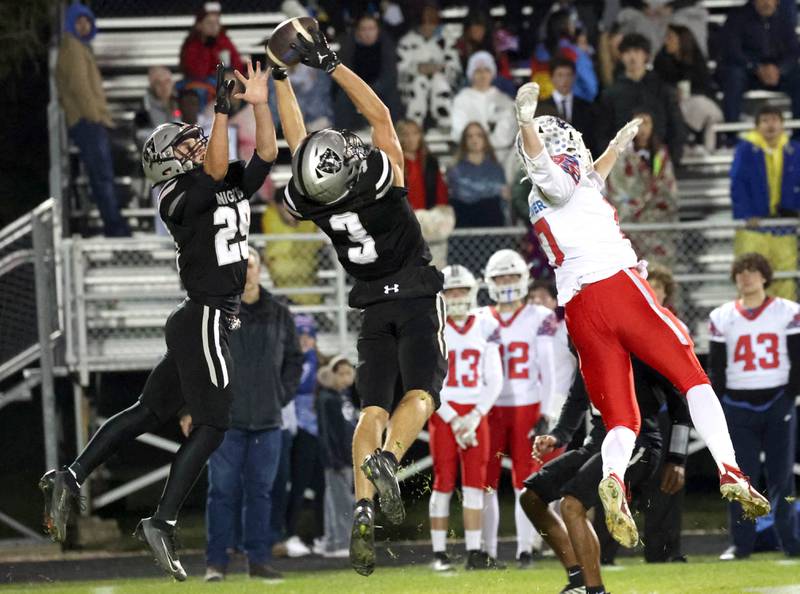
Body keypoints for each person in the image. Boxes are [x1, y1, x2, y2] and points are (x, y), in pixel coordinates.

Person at [40, 62, 277, 580]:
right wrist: (219, 110)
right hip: (207, 314)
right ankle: (162, 521)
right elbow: (213, 172)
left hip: (200, 317)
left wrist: (258, 102)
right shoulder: (176, 196)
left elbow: (267, 153)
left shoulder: (215, 179)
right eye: (186, 145)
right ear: (167, 163)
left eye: (197, 141)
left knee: (150, 411)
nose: (197, 146)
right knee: (214, 425)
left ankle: (72, 474)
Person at [512, 80, 769, 551]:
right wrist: (528, 122)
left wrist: (614, 146)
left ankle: (613, 478)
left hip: (581, 312)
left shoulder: (560, 192)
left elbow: (589, 177)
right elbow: (550, 167)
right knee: (693, 378)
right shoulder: (552, 175)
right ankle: (730, 470)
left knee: (622, 420)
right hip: (615, 287)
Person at [273, 27, 448, 577]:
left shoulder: (312, 199)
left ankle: (364, 504)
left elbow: (299, 147)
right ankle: (390, 462)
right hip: (415, 295)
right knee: (421, 393)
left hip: (372, 306)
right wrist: (331, 64)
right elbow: (381, 119)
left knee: (372, 407)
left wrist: (280, 78)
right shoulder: (381, 178)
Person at [523, 351, 688, 594]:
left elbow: (680, 404)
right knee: (531, 497)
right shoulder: (587, 355)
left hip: (636, 442)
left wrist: (676, 458)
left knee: (572, 505)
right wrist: (557, 436)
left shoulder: (640, 352)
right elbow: (576, 402)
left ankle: (595, 590)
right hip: (597, 442)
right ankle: (579, 578)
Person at [187, 247, 303, 582]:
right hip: (226, 421)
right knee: (221, 491)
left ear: (260, 270)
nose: (246, 272)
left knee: (261, 493)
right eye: (240, 266)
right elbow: (198, 363)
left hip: (268, 420)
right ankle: (216, 563)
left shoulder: (280, 312)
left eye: (250, 265)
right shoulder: (218, 313)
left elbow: (295, 360)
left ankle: (258, 560)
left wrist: (282, 394)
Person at [709, 253, 800, 560]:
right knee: (740, 479)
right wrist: (717, 405)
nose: (745, 278)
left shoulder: (787, 312)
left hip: (777, 400)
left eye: (751, 272)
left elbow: (796, 360)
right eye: (740, 273)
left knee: (781, 476)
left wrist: (789, 395)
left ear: (764, 276)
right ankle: (742, 545)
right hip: (737, 403)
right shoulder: (721, 316)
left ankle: (791, 542)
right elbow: (718, 369)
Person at [478, 249, 558, 568]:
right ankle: (486, 550)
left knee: (525, 482)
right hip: (491, 408)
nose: (507, 282)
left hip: (527, 406)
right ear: (490, 281)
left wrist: (547, 412)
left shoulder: (540, 316)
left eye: (512, 276)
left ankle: (525, 549)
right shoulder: (480, 319)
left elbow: (549, 370)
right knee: (485, 481)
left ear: (523, 278)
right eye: (501, 277)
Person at [428, 265, 503, 571]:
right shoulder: (434, 327)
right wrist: (452, 417)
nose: (456, 297)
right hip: (443, 413)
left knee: (475, 483)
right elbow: (427, 379)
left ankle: (474, 552)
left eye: (461, 291)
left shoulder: (485, 324)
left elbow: (495, 380)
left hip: (475, 412)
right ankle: (439, 554)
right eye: (451, 291)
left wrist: (472, 417)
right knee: (443, 481)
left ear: (472, 293)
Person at [55, 2, 130, 237]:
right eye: (79, 21)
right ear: (71, 23)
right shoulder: (73, 48)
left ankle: (114, 221)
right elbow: (80, 89)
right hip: (88, 122)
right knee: (102, 176)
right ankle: (114, 225)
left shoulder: (80, 47)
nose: (84, 25)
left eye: (87, 21)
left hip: (91, 121)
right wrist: (97, 118)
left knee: (104, 174)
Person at [730, 105, 800, 301]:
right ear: (757, 126)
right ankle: (751, 318)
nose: (771, 125)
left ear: (783, 124)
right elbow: (737, 183)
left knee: (785, 275)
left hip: (784, 224)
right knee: (749, 273)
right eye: (765, 120)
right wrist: (746, 213)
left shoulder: (794, 150)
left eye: (775, 120)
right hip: (754, 225)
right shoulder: (745, 150)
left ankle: (785, 324)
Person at [599, 33, 686, 165]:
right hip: (622, 165)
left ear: (646, 55)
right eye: (627, 52)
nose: (632, 56)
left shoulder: (662, 90)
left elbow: (676, 126)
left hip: (659, 160)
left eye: (637, 51)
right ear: (621, 56)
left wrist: (671, 159)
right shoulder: (611, 94)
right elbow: (603, 133)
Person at [605, 108, 678, 267]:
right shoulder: (621, 154)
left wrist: (650, 201)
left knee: (658, 270)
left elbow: (668, 186)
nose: (643, 129)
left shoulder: (660, 153)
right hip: (630, 223)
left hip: (656, 223)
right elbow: (616, 186)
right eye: (638, 123)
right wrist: (635, 204)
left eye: (647, 123)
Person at [717, 0, 800, 126]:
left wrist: (780, 69)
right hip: (747, 71)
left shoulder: (784, 18)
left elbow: (793, 51)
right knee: (733, 76)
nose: (766, 2)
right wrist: (756, 68)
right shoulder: (737, 17)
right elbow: (732, 50)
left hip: (777, 72)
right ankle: (731, 135)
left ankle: (798, 135)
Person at [653, 24, 722, 153]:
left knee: (706, 109)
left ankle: (708, 147)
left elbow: (705, 86)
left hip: (694, 100)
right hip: (671, 102)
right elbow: (658, 85)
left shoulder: (696, 59)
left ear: (682, 40)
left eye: (670, 37)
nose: (666, 41)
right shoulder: (661, 60)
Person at [317, 356, 359, 558]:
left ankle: (333, 543)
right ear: (331, 375)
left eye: (348, 373)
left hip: (346, 457)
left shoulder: (345, 396)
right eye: (340, 373)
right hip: (337, 460)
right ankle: (342, 542)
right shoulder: (327, 399)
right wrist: (333, 458)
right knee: (341, 502)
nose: (345, 377)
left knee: (335, 501)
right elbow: (327, 432)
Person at [398, 2, 461, 130]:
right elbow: (401, 70)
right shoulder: (407, 41)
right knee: (420, 82)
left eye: (431, 21)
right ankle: (414, 125)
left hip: (442, 83)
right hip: (412, 86)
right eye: (425, 21)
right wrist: (417, 69)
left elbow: (455, 67)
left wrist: (436, 69)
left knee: (439, 81)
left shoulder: (446, 39)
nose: (428, 24)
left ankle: (445, 122)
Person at [450, 51, 518, 165]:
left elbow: (509, 131)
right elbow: (459, 130)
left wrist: (490, 145)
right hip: (470, 157)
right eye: (478, 71)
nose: (482, 75)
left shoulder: (504, 100)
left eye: (487, 70)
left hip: (501, 157)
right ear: (471, 74)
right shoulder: (461, 99)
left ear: (492, 73)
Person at [335, 13, 400, 130]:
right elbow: (344, 74)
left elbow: (390, 75)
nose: (368, 33)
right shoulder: (348, 47)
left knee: (393, 95)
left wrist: (372, 90)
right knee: (342, 97)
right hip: (354, 88)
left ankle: (394, 132)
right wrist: (359, 90)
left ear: (377, 30)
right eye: (364, 29)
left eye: (371, 29)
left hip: (381, 88)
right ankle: (344, 133)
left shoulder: (387, 45)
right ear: (358, 32)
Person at [446, 123, 507, 229]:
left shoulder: (496, 168)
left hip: (493, 226)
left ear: (485, 139)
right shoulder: (455, 168)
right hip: (465, 225)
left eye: (479, 135)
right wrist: (496, 190)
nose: (474, 139)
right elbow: (462, 192)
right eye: (470, 136)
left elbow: (504, 197)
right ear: (464, 141)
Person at [530, 9, 598, 103]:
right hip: (571, 108)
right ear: (568, 27)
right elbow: (591, 88)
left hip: (542, 108)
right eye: (573, 23)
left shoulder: (538, 52)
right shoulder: (575, 53)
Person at [535, 57, 598, 156]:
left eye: (568, 75)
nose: (564, 80)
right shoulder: (541, 108)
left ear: (574, 77)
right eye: (560, 75)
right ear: (552, 78)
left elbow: (592, 140)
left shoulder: (587, 107)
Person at [179, 2, 244, 82]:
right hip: (200, 83)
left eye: (216, 23)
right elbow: (197, 73)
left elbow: (238, 65)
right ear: (199, 25)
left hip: (222, 80)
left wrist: (230, 72)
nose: (213, 26)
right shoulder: (192, 45)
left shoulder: (224, 42)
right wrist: (207, 47)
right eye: (209, 23)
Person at [397, 119, 448, 210]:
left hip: (429, 215)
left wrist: (439, 211)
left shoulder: (430, 162)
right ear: (399, 137)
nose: (411, 138)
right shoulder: (394, 163)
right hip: (405, 216)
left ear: (420, 136)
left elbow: (440, 191)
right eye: (406, 134)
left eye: (415, 133)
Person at [135, 66, 177, 146]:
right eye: (158, 83)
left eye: (167, 81)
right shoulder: (144, 109)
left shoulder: (182, 102)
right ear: (152, 86)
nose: (164, 87)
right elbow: (141, 136)